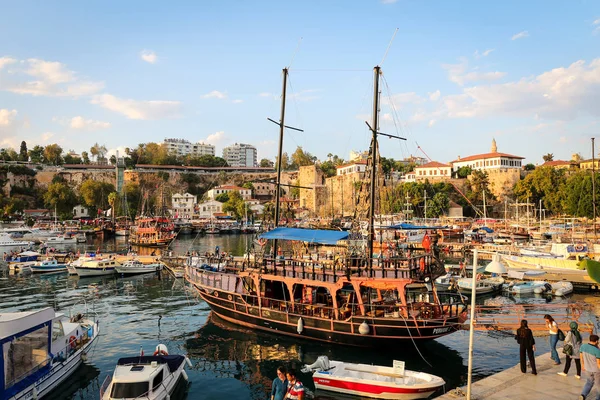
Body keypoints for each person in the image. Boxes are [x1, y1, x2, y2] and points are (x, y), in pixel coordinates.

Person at [579, 334, 600, 400]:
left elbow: (581, 356)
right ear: (596, 341)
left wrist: (582, 365)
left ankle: (583, 395)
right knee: (598, 385)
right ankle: (598, 398)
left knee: (589, 383)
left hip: (587, 369)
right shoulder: (597, 351)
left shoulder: (583, 346)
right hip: (596, 370)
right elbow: (598, 363)